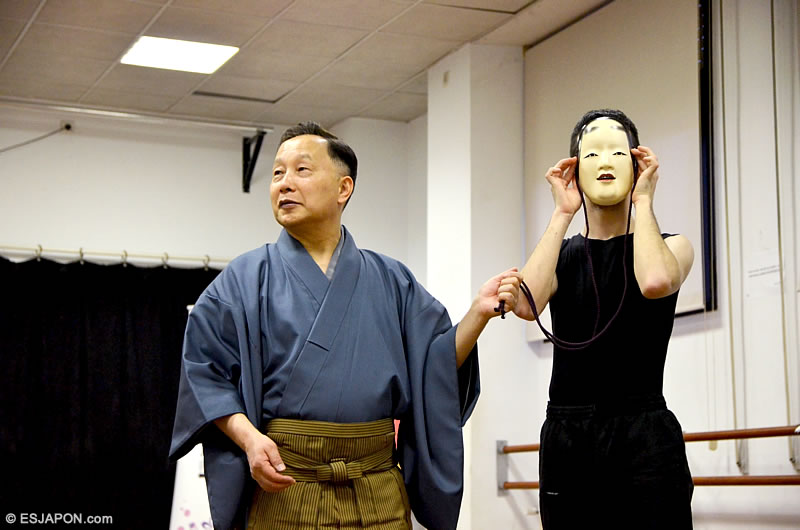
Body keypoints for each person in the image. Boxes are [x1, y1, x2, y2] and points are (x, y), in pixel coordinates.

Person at [169, 122, 521, 530]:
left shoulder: (392, 280)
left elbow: (435, 366)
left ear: (343, 188)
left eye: (301, 170)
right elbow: (205, 375)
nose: (284, 183)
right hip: (286, 484)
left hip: (377, 489)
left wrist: (478, 314)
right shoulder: (244, 279)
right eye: (278, 172)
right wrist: (250, 439)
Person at [513, 109, 695, 529]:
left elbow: (654, 281)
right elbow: (526, 304)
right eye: (592, 154)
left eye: (617, 152)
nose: (606, 162)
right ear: (575, 170)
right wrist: (562, 212)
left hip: (643, 432)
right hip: (568, 434)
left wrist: (644, 201)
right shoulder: (562, 254)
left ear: (637, 164)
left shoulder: (674, 246)